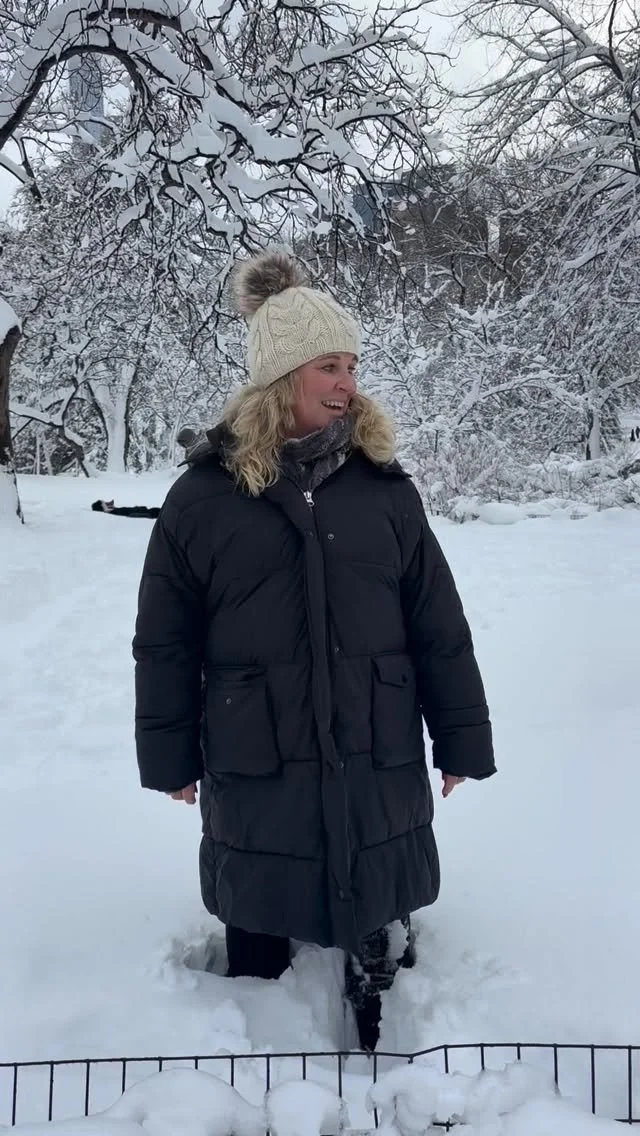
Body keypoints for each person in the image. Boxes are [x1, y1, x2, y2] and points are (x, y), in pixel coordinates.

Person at [133, 251, 496, 1051]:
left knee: (379, 881)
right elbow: (164, 642)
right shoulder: (203, 499)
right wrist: (170, 757)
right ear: (279, 378)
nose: (347, 384)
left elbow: (439, 624)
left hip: (376, 733)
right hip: (254, 741)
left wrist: (462, 738)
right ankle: (258, 1027)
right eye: (329, 366)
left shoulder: (385, 490)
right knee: (259, 899)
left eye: (352, 366)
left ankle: (384, 990)